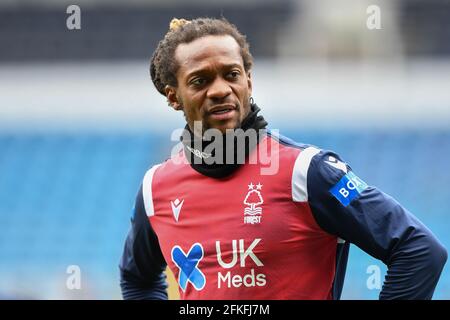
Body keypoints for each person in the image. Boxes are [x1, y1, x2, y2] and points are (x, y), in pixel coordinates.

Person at [119, 17, 447, 300]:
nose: (220, 90)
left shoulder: (307, 172)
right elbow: (138, 278)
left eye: (231, 74)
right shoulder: (155, 189)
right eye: (200, 80)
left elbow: (418, 250)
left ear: (249, 80)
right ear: (174, 96)